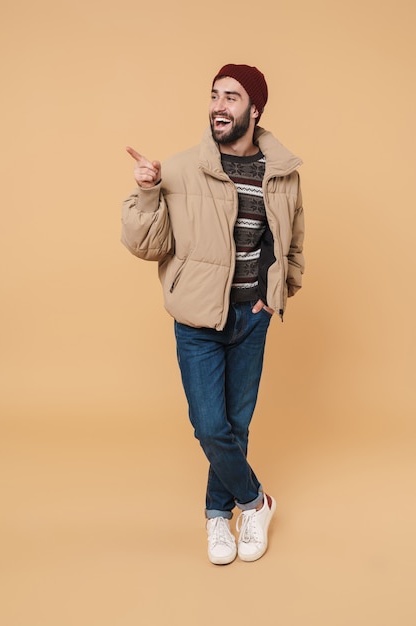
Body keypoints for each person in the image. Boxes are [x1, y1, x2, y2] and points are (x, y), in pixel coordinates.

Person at [121, 64, 305, 565]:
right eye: (214, 95)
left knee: (236, 423)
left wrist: (280, 292)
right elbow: (145, 244)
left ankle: (218, 518)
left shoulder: (282, 173)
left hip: (253, 316)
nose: (219, 106)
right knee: (209, 425)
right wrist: (147, 191)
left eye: (232, 96)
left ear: (255, 109)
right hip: (198, 322)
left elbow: (292, 243)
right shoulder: (179, 169)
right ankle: (255, 501)